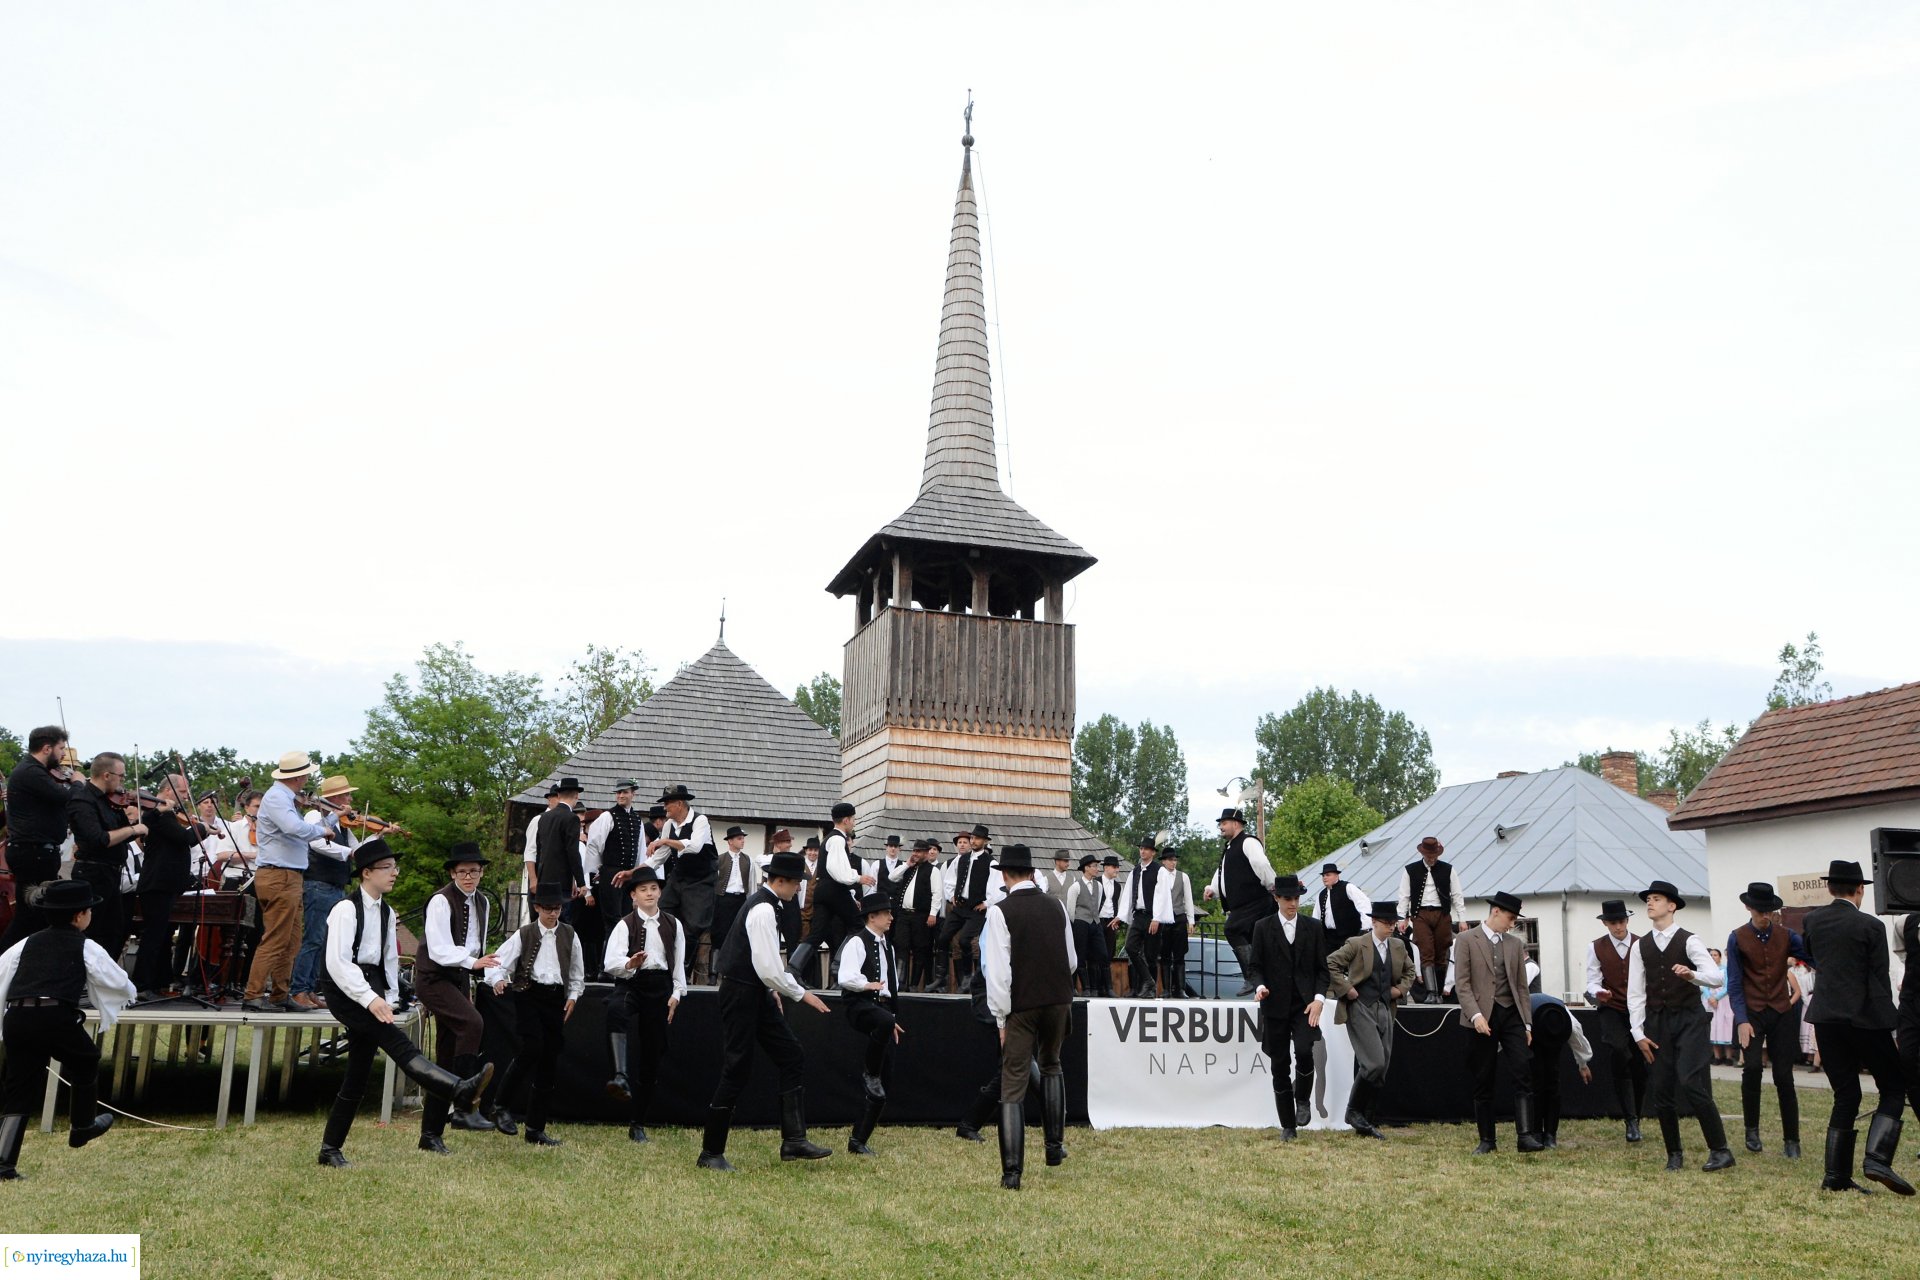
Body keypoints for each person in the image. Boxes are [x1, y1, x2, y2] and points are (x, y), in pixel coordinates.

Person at [316, 839, 492, 1167]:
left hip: (370, 988)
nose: (395, 873)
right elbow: (338, 964)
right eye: (388, 868)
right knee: (400, 1046)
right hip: (345, 989)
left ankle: (329, 1149)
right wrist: (370, 1000)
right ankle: (459, 1090)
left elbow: (388, 959)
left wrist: (391, 999)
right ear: (366, 873)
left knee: (357, 1072)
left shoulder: (387, 910)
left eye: (395, 867)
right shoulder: (345, 909)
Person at [697, 849, 833, 1171]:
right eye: (797, 883)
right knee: (737, 1067)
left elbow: (767, 970)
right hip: (741, 993)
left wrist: (772, 990)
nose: (799, 889)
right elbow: (769, 967)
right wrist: (802, 995)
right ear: (782, 881)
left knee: (791, 1054)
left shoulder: (770, 905)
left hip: (755, 992)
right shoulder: (762, 909)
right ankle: (710, 1153)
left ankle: (794, 1140)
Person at [0, 877, 135, 1179]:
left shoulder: (25, 943)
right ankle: (82, 1127)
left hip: (18, 1018)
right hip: (53, 1017)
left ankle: (4, 1163)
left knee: (19, 1086)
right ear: (79, 915)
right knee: (86, 1059)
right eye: (89, 910)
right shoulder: (86, 945)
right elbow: (117, 980)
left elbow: (2, 973)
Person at [1803, 859, 1912, 1195]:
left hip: (1825, 1019)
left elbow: (1813, 959)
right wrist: (1891, 1025)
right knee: (1893, 1087)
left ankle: (1835, 1177)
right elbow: (1879, 977)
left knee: (1845, 1094)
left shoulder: (1812, 920)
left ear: (1830, 888)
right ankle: (1877, 1158)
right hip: (1864, 1018)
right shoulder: (1870, 926)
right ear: (1860, 890)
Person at [982, 844, 1076, 1190]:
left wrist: (1000, 1019)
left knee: (1013, 1084)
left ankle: (1012, 1173)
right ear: (1033, 873)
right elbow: (1071, 960)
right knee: (1052, 1065)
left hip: (1021, 1005)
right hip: (1059, 1000)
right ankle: (1053, 1148)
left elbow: (998, 973)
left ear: (1005, 875)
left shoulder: (999, 911)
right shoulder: (1057, 907)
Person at [1628, 879, 1733, 1173]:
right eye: (1648, 898)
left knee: (1690, 1082)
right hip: (1657, 1021)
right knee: (1661, 1088)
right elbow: (1635, 993)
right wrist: (1638, 1033)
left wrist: (1692, 975)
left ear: (1672, 906)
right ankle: (1674, 1154)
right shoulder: (1641, 946)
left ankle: (1721, 1150)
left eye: (1657, 898)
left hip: (1689, 1019)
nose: (1650, 902)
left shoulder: (1689, 940)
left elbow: (1716, 977)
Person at [412, 843, 499, 1154]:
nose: (468, 877)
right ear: (452, 872)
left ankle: (430, 1135)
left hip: (459, 978)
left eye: (474, 871)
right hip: (433, 978)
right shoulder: (440, 901)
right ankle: (463, 1106)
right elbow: (438, 949)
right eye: (462, 871)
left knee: (447, 1058)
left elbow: (477, 946)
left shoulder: (483, 903)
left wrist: (480, 969)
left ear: (481, 873)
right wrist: (471, 962)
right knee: (473, 1024)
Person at [487, 883, 586, 1146]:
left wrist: (573, 996)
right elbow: (498, 961)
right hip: (528, 994)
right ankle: (500, 1105)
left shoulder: (570, 934)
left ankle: (535, 1128)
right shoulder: (525, 933)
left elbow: (577, 972)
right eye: (548, 908)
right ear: (537, 908)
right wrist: (497, 979)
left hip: (555, 998)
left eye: (557, 908)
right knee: (533, 1047)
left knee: (549, 1058)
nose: (553, 913)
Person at [243, 752, 336, 1012]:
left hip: (289, 875)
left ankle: (280, 994)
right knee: (275, 938)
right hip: (279, 875)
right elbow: (294, 828)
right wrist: (322, 829)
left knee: (291, 940)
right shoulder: (276, 798)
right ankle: (253, 994)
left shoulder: (284, 798)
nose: (308, 779)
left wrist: (331, 818)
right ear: (299, 776)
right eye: (306, 774)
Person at [1453, 890, 1543, 1154]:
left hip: (1511, 1014)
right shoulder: (1466, 939)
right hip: (1481, 1016)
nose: (1512, 923)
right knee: (1483, 1077)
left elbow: (1521, 988)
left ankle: (1525, 1136)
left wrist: (1527, 1024)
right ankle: (1487, 1140)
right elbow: (1463, 984)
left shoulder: (1514, 945)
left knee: (1523, 1068)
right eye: (1510, 918)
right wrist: (1476, 1015)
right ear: (1495, 912)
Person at [1725, 882, 1810, 1159]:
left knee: (1784, 1075)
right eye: (1760, 911)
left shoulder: (1786, 936)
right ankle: (1752, 1130)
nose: (1765, 916)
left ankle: (1792, 1140)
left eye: (1769, 911)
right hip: (1751, 1012)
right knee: (1751, 1068)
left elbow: (1812, 956)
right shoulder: (1737, 937)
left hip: (1781, 1011)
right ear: (1749, 908)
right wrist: (1741, 1020)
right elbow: (1735, 983)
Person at [602, 866, 686, 1144]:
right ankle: (619, 1075)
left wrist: (676, 993)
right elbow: (610, 962)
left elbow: (678, 966)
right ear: (633, 896)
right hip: (632, 983)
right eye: (643, 889)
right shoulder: (625, 924)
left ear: (660, 892)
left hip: (660, 987)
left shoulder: (674, 924)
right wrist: (630, 963)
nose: (649, 893)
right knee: (615, 1008)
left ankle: (638, 1122)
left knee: (653, 1052)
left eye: (653, 888)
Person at [1245, 874, 1329, 1139]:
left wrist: (1319, 999)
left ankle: (1302, 1097)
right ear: (1276, 898)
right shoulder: (1262, 927)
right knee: (1279, 1064)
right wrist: (1260, 988)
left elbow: (1322, 971)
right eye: (1288, 898)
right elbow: (1255, 967)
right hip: (1274, 1006)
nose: (1293, 903)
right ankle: (1288, 1126)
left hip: (1305, 1005)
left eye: (1296, 898)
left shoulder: (1313, 927)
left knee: (1305, 1051)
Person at [1324, 901, 1413, 1141]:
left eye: (1393, 923)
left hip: (1385, 1007)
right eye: (1386, 923)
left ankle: (1366, 1120)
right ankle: (1353, 1112)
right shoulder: (1357, 943)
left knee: (1381, 1067)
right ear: (1373, 922)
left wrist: (1400, 990)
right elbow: (1331, 962)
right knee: (1373, 1063)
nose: (1391, 927)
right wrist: (1346, 988)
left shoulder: (1397, 946)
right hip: (1360, 1006)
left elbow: (1410, 971)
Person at [127, 772, 208, 1000]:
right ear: (168, 791)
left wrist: (198, 828)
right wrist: (202, 828)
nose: (186, 796)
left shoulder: (169, 814)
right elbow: (182, 839)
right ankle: (142, 984)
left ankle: (161, 981)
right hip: (157, 884)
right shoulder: (159, 815)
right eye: (183, 792)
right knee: (154, 935)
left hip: (169, 884)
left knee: (163, 936)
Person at [837, 893, 904, 1156]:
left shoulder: (889, 945)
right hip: (860, 1004)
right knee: (877, 1074)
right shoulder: (856, 941)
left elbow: (893, 986)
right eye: (886, 913)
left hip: (882, 1011)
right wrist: (867, 985)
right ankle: (869, 1073)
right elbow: (845, 977)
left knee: (884, 1086)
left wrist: (892, 1020)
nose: (890, 917)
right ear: (871, 916)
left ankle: (858, 1141)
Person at [0, 725, 78, 952]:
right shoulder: (31, 772)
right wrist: (79, 782)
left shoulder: (37, 772)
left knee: (37, 915)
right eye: (61, 748)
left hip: (39, 851)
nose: (64, 754)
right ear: (47, 748)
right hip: (32, 852)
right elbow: (64, 797)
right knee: (29, 915)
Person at [288, 776, 358, 1012]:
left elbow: (359, 850)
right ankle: (298, 989)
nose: (350, 800)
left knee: (324, 941)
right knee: (314, 938)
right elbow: (316, 842)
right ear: (336, 798)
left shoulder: (343, 827)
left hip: (334, 886)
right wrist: (347, 853)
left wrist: (380, 835)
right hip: (318, 883)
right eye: (347, 795)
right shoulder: (315, 815)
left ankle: (309, 989)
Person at [66, 752, 145, 958]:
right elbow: (99, 839)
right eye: (121, 776)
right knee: (92, 931)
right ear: (107, 775)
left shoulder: (112, 800)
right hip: (92, 872)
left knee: (116, 931)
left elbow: (123, 834)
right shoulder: (82, 799)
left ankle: (103, 981)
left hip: (112, 874)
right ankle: (83, 982)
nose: (123, 781)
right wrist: (133, 830)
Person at [1584, 899, 1648, 1143]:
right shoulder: (1596, 947)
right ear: (1606, 924)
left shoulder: (1642, 943)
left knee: (1640, 1064)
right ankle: (1630, 1119)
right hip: (1611, 1008)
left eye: (1621, 921)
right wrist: (1598, 991)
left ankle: (1637, 1116)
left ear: (1627, 921)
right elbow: (1592, 979)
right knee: (1620, 1052)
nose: (1618, 927)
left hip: (1638, 1008)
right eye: (1613, 922)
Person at [791, 803, 870, 987]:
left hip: (823, 891)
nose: (854, 823)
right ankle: (838, 966)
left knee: (817, 933)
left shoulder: (830, 839)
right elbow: (837, 871)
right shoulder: (837, 839)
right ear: (846, 820)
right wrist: (858, 878)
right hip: (834, 889)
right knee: (858, 926)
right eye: (854, 819)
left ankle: (793, 969)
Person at [649, 784, 718, 984]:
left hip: (701, 881)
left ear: (680, 803)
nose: (665, 808)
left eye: (668, 803)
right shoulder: (669, 826)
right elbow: (658, 858)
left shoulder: (700, 821)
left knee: (693, 927)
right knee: (661, 914)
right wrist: (634, 872)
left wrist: (665, 842)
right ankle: (662, 964)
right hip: (679, 878)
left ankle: (683, 971)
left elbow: (695, 847)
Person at [1205, 807, 1277, 996]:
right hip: (1245, 905)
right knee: (1257, 943)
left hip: (1256, 901)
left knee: (1232, 929)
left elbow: (1262, 865)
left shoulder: (1248, 842)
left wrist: (1273, 886)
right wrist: (1212, 889)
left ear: (1236, 824)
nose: (1221, 827)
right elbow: (1222, 872)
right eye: (1220, 823)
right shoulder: (1230, 848)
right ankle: (1262, 982)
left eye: (1224, 823)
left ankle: (1252, 977)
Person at [1397, 836, 1465, 1004]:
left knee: (1442, 952)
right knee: (1426, 951)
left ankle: (1439, 991)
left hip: (1442, 913)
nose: (1432, 859)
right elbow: (1404, 896)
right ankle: (1431, 992)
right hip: (1420, 914)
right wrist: (1401, 918)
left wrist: (1462, 918)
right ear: (1424, 854)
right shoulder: (1410, 870)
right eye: (1429, 856)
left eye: (1435, 856)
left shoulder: (1448, 869)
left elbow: (1457, 895)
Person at [1528, 986, 1594, 1149]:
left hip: (1552, 1030)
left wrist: (1583, 1064)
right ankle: (1535, 1132)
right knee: (1535, 1083)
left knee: (1552, 1082)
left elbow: (1578, 1041)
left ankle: (1550, 1134)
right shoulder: (1523, 1009)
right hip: (1530, 1031)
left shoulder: (1568, 1022)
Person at [930, 824, 994, 993]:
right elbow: (949, 880)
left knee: (965, 940)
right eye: (972, 838)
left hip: (976, 910)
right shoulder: (961, 859)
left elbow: (997, 887)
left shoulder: (991, 862)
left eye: (976, 838)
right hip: (960, 907)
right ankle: (940, 979)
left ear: (985, 841)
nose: (973, 841)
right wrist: (952, 896)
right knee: (943, 938)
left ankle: (967, 977)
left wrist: (987, 903)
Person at [1149, 847, 1196, 998]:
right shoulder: (1158, 875)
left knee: (1180, 955)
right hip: (1163, 919)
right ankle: (1166, 989)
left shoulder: (1183, 877)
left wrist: (1191, 921)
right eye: (1170, 860)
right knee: (1164, 955)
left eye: (1175, 860)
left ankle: (1180, 989)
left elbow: (1188, 899)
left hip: (1179, 917)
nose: (1173, 862)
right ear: (1163, 861)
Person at [897, 839, 943, 992]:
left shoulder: (933, 870)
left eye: (918, 851)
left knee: (920, 949)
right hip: (904, 914)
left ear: (925, 852)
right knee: (902, 946)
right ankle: (901, 982)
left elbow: (937, 894)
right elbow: (892, 877)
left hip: (921, 915)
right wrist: (906, 864)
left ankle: (914, 984)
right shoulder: (908, 868)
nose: (915, 854)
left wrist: (932, 914)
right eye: (914, 851)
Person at [1119, 836, 1162, 996]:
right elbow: (1128, 894)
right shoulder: (1135, 870)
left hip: (1153, 916)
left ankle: (1151, 989)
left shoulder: (1159, 871)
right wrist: (1121, 915)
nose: (1142, 851)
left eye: (1146, 849)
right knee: (1130, 947)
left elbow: (1162, 895)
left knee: (1151, 956)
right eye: (1141, 848)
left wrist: (1157, 917)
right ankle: (1148, 980)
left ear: (1152, 852)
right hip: (1139, 915)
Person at [711, 825, 761, 962]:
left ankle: (732, 970)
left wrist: (751, 904)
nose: (743, 841)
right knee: (719, 935)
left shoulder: (748, 860)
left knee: (738, 934)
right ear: (730, 841)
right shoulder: (719, 859)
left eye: (743, 838)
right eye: (739, 839)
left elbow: (751, 885)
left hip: (740, 901)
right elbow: (714, 883)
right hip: (723, 900)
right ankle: (713, 973)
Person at [1068, 855, 1111, 996]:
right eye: (1094, 866)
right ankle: (1086, 988)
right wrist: (1080, 922)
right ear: (1086, 868)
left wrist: (1093, 918)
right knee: (1080, 955)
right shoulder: (1075, 887)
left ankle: (1102, 988)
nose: (1097, 869)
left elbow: (1097, 904)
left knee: (1102, 955)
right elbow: (1070, 910)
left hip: (1095, 922)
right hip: (1080, 923)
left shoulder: (1098, 885)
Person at [1314, 863, 1369, 950]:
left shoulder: (1348, 887)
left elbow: (1364, 904)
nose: (1324, 877)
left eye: (1328, 875)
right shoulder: (1322, 894)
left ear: (1336, 875)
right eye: (1323, 875)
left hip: (1349, 936)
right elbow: (1316, 917)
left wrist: (1365, 928)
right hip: (1329, 939)